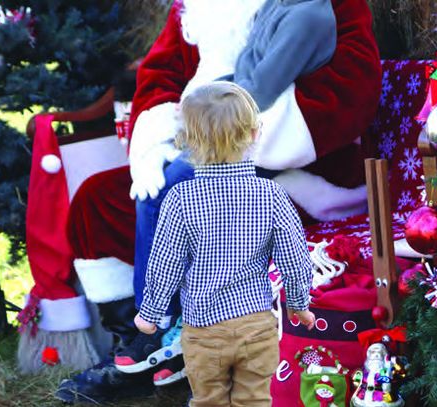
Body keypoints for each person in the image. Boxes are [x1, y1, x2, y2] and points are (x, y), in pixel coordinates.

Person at [55, 0, 381, 403]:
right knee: (100, 198)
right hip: (197, 147)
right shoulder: (196, 9)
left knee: (184, 194)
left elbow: (352, 87)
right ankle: (140, 348)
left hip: (295, 167)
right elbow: (160, 77)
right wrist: (160, 139)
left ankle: (170, 342)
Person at [134, 81, 316, 406]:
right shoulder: (271, 195)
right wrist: (299, 303)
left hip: (204, 330)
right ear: (255, 134)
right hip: (256, 325)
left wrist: (151, 313)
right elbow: (295, 257)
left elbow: (165, 261)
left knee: (208, 400)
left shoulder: (180, 198)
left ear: (188, 142)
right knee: (255, 399)